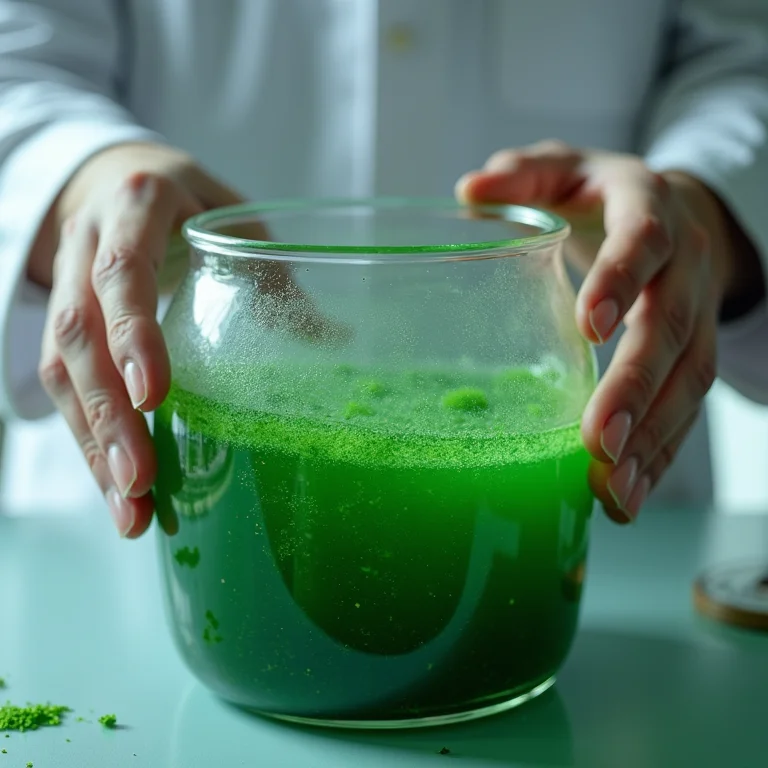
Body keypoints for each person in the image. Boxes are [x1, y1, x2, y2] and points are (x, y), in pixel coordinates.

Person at [0, 0, 767, 538]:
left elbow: (745, 51)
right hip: (123, 531)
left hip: (628, 533)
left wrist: (706, 196)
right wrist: (82, 174)